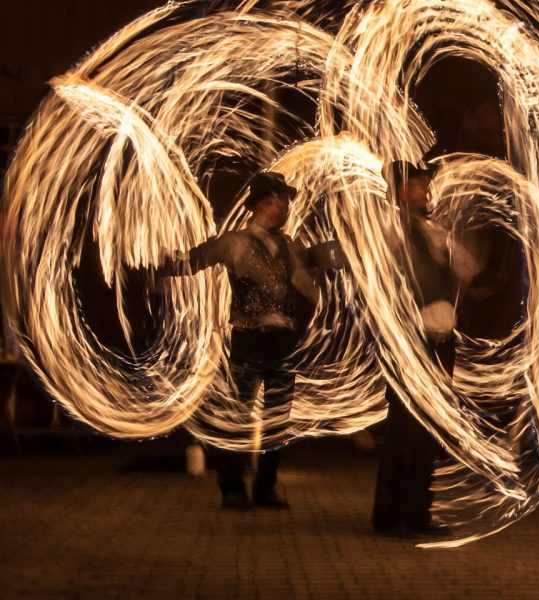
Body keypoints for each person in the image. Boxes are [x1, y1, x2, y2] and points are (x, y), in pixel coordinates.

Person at [165, 171, 337, 510]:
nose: (288, 206)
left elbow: (306, 285)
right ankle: (231, 488)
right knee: (238, 417)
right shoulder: (235, 242)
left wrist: (331, 306)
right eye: (284, 199)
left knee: (277, 419)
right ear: (268, 201)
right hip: (248, 339)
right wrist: (152, 260)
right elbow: (192, 261)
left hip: (283, 342)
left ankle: (265, 488)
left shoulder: (289, 246)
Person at [372, 160, 481, 538]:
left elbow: (469, 268)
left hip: (441, 342)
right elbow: (377, 284)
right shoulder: (387, 234)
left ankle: (419, 513)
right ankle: (389, 517)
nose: (427, 190)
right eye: (420, 185)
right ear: (401, 191)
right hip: (409, 343)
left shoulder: (437, 235)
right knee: (404, 430)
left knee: (429, 431)